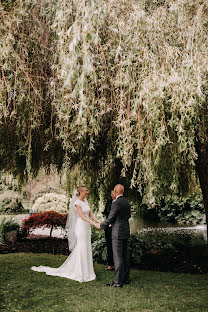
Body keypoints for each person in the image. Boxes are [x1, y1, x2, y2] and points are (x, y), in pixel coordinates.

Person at [31, 186, 100, 282]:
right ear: (80, 192)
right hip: (81, 227)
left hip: (87, 228)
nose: (87, 192)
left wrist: (99, 222)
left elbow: (90, 215)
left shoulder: (85, 201)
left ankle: (88, 271)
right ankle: (80, 272)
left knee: (87, 247)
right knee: (82, 246)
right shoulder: (77, 203)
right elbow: (82, 216)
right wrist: (94, 224)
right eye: (86, 191)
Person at [96, 184, 131, 288]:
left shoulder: (116, 203)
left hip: (117, 232)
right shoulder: (126, 202)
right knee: (125, 256)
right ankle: (126, 278)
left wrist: (101, 225)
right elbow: (128, 216)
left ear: (115, 192)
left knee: (117, 257)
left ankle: (117, 282)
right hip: (125, 231)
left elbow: (111, 218)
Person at [102, 190, 116, 271]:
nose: (111, 195)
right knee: (109, 245)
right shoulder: (109, 202)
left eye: (113, 193)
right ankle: (110, 265)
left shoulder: (119, 202)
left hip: (116, 227)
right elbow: (106, 211)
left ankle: (118, 265)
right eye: (111, 193)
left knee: (116, 246)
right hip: (108, 227)